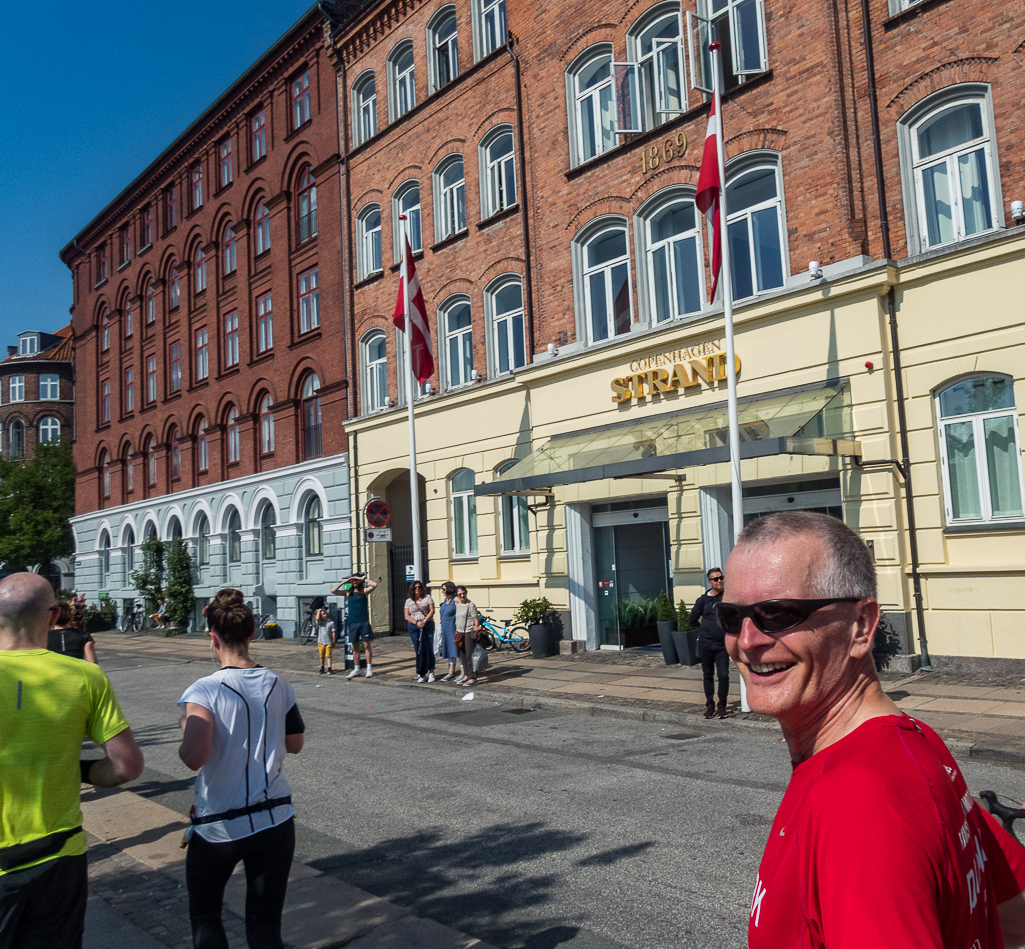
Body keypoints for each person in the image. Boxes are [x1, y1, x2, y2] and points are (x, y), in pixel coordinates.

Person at [718, 511, 1025, 948]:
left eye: (779, 613)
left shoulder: (855, 801)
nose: (747, 641)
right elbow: (1011, 914)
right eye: (732, 616)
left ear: (861, 626)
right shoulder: (916, 738)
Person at [0, 572, 144, 948]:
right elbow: (127, 766)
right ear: (53, 615)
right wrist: (79, 768)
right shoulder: (85, 677)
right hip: (56, 857)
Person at [178, 592, 305, 949]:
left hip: (219, 823)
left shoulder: (204, 690)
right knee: (265, 927)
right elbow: (295, 743)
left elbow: (193, 756)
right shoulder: (279, 683)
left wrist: (186, 723)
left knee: (206, 916)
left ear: (213, 638)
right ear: (252, 635)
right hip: (275, 819)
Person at [689, 567, 728, 719]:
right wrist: (702, 630)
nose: (720, 581)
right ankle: (710, 704)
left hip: (722, 644)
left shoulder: (727, 597)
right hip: (705, 643)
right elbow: (692, 619)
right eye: (716, 579)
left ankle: (722, 705)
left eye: (721, 578)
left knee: (724, 674)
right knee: (708, 674)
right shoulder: (703, 600)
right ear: (710, 582)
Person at [331, 575, 378, 679]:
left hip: (363, 622)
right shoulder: (348, 592)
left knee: (366, 645)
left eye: (356, 580)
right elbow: (333, 591)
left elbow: (375, 585)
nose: (354, 582)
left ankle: (369, 668)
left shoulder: (364, 591)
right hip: (353, 623)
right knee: (355, 646)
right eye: (353, 580)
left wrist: (363, 579)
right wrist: (344, 582)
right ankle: (356, 669)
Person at [404, 581, 435, 683]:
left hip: (427, 626)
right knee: (419, 649)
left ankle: (431, 672)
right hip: (414, 627)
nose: (417, 589)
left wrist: (424, 621)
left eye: (419, 587)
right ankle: (421, 673)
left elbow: (432, 611)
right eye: (415, 588)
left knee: (429, 648)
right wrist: (416, 622)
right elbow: (406, 615)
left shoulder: (428, 598)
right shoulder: (409, 601)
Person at [454, 585, 481, 688]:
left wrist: (476, 627)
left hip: (469, 632)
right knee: (462, 655)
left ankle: (472, 677)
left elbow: (475, 619)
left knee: (469, 655)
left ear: (466, 593)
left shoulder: (471, 605)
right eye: (460, 594)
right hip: (460, 632)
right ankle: (466, 674)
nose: (462, 595)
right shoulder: (458, 605)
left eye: (463, 593)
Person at [436, 582, 462, 682]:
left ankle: (463, 672)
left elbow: (463, 611)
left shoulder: (456, 600)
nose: (442, 591)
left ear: (449, 589)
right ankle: (451, 672)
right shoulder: (446, 600)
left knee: (457, 651)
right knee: (449, 651)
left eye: (444, 589)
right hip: (445, 629)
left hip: (453, 629)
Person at [312, 607, 335, 675]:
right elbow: (317, 619)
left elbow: (333, 632)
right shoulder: (320, 623)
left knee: (329, 655)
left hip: (328, 642)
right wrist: (319, 611)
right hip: (321, 642)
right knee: (321, 656)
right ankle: (322, 667)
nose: (324, 615)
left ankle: (329, 668)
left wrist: (333, 640)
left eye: (325, 614)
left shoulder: (331, 623)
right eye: (322, 615)